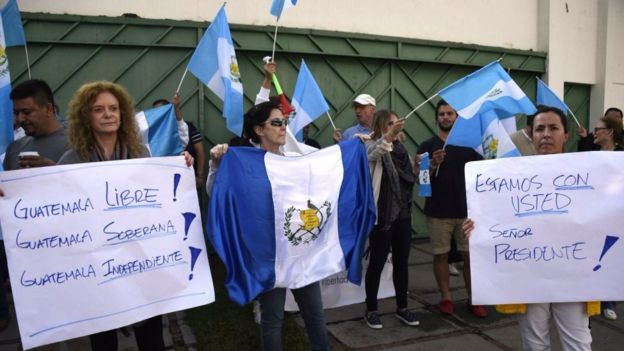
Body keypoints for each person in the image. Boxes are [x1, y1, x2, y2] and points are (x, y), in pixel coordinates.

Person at [58, 81, 192, 351]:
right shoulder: (72, 160)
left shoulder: (141, 154)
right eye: (98, 109)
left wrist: (182, 166)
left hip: (140, 264)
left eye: (114, 108)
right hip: (97, 268)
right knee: (103, 343)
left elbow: (163, 197)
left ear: (123, 114)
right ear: (86, 116)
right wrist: (12, 195)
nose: (108, 114)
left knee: (152, 338)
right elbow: (51, 204)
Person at [463, 106, 598, 351]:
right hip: (529, 274)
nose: (546, 134)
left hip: (574, 274)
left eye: (553, 128)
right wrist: (477, 228)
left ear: (566, 135)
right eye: (539, 129)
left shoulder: (589, 172)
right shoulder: (512, 177)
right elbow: (496, 219)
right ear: (531, 135)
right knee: (534, 344)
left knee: (578, 343)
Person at [206, 101, 330, 351]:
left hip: (299, 251)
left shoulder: (298, 159)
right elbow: (215, 194)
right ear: (259, 129)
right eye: (276, 122)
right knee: (272, 321)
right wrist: (215, 166)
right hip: (268, 257)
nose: (283, 127)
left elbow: (332, 168)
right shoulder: (244, 162)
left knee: (315, 317)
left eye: (285, 122)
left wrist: (364, 146)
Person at [415, 100, 486, 317]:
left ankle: (474, 298)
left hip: (467, 212)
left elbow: (482, 173)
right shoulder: (427, 146)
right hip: (438, 211)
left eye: (450, 114)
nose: (446, 117)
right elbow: (420, 180)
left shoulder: (470, 144)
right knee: (441, 256)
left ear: (457, 117)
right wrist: (433, 163)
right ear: (436, 118)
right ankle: (446, 297)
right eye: (442, 114)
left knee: (469, 258)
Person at [363, 109, 419, 329]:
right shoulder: (372, 145)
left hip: (403, 215)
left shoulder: (401, 149)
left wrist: (420, 165)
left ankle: (402, 308)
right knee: (376, 263)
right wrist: (387, 137)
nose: (396, 127)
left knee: (402, 263)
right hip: (383, 215)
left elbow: (409, 180)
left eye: (397, 124)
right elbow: (373, 154)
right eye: (390, 124)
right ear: (380, 127)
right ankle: (371, 309)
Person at [153, 96, 206, 188]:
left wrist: (199, 176)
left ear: (168, 112)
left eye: (160, 111)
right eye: (154, 112)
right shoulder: (153, 134)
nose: (156, 115)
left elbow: (199, 151)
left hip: (185, 180)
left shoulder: (188, 128)